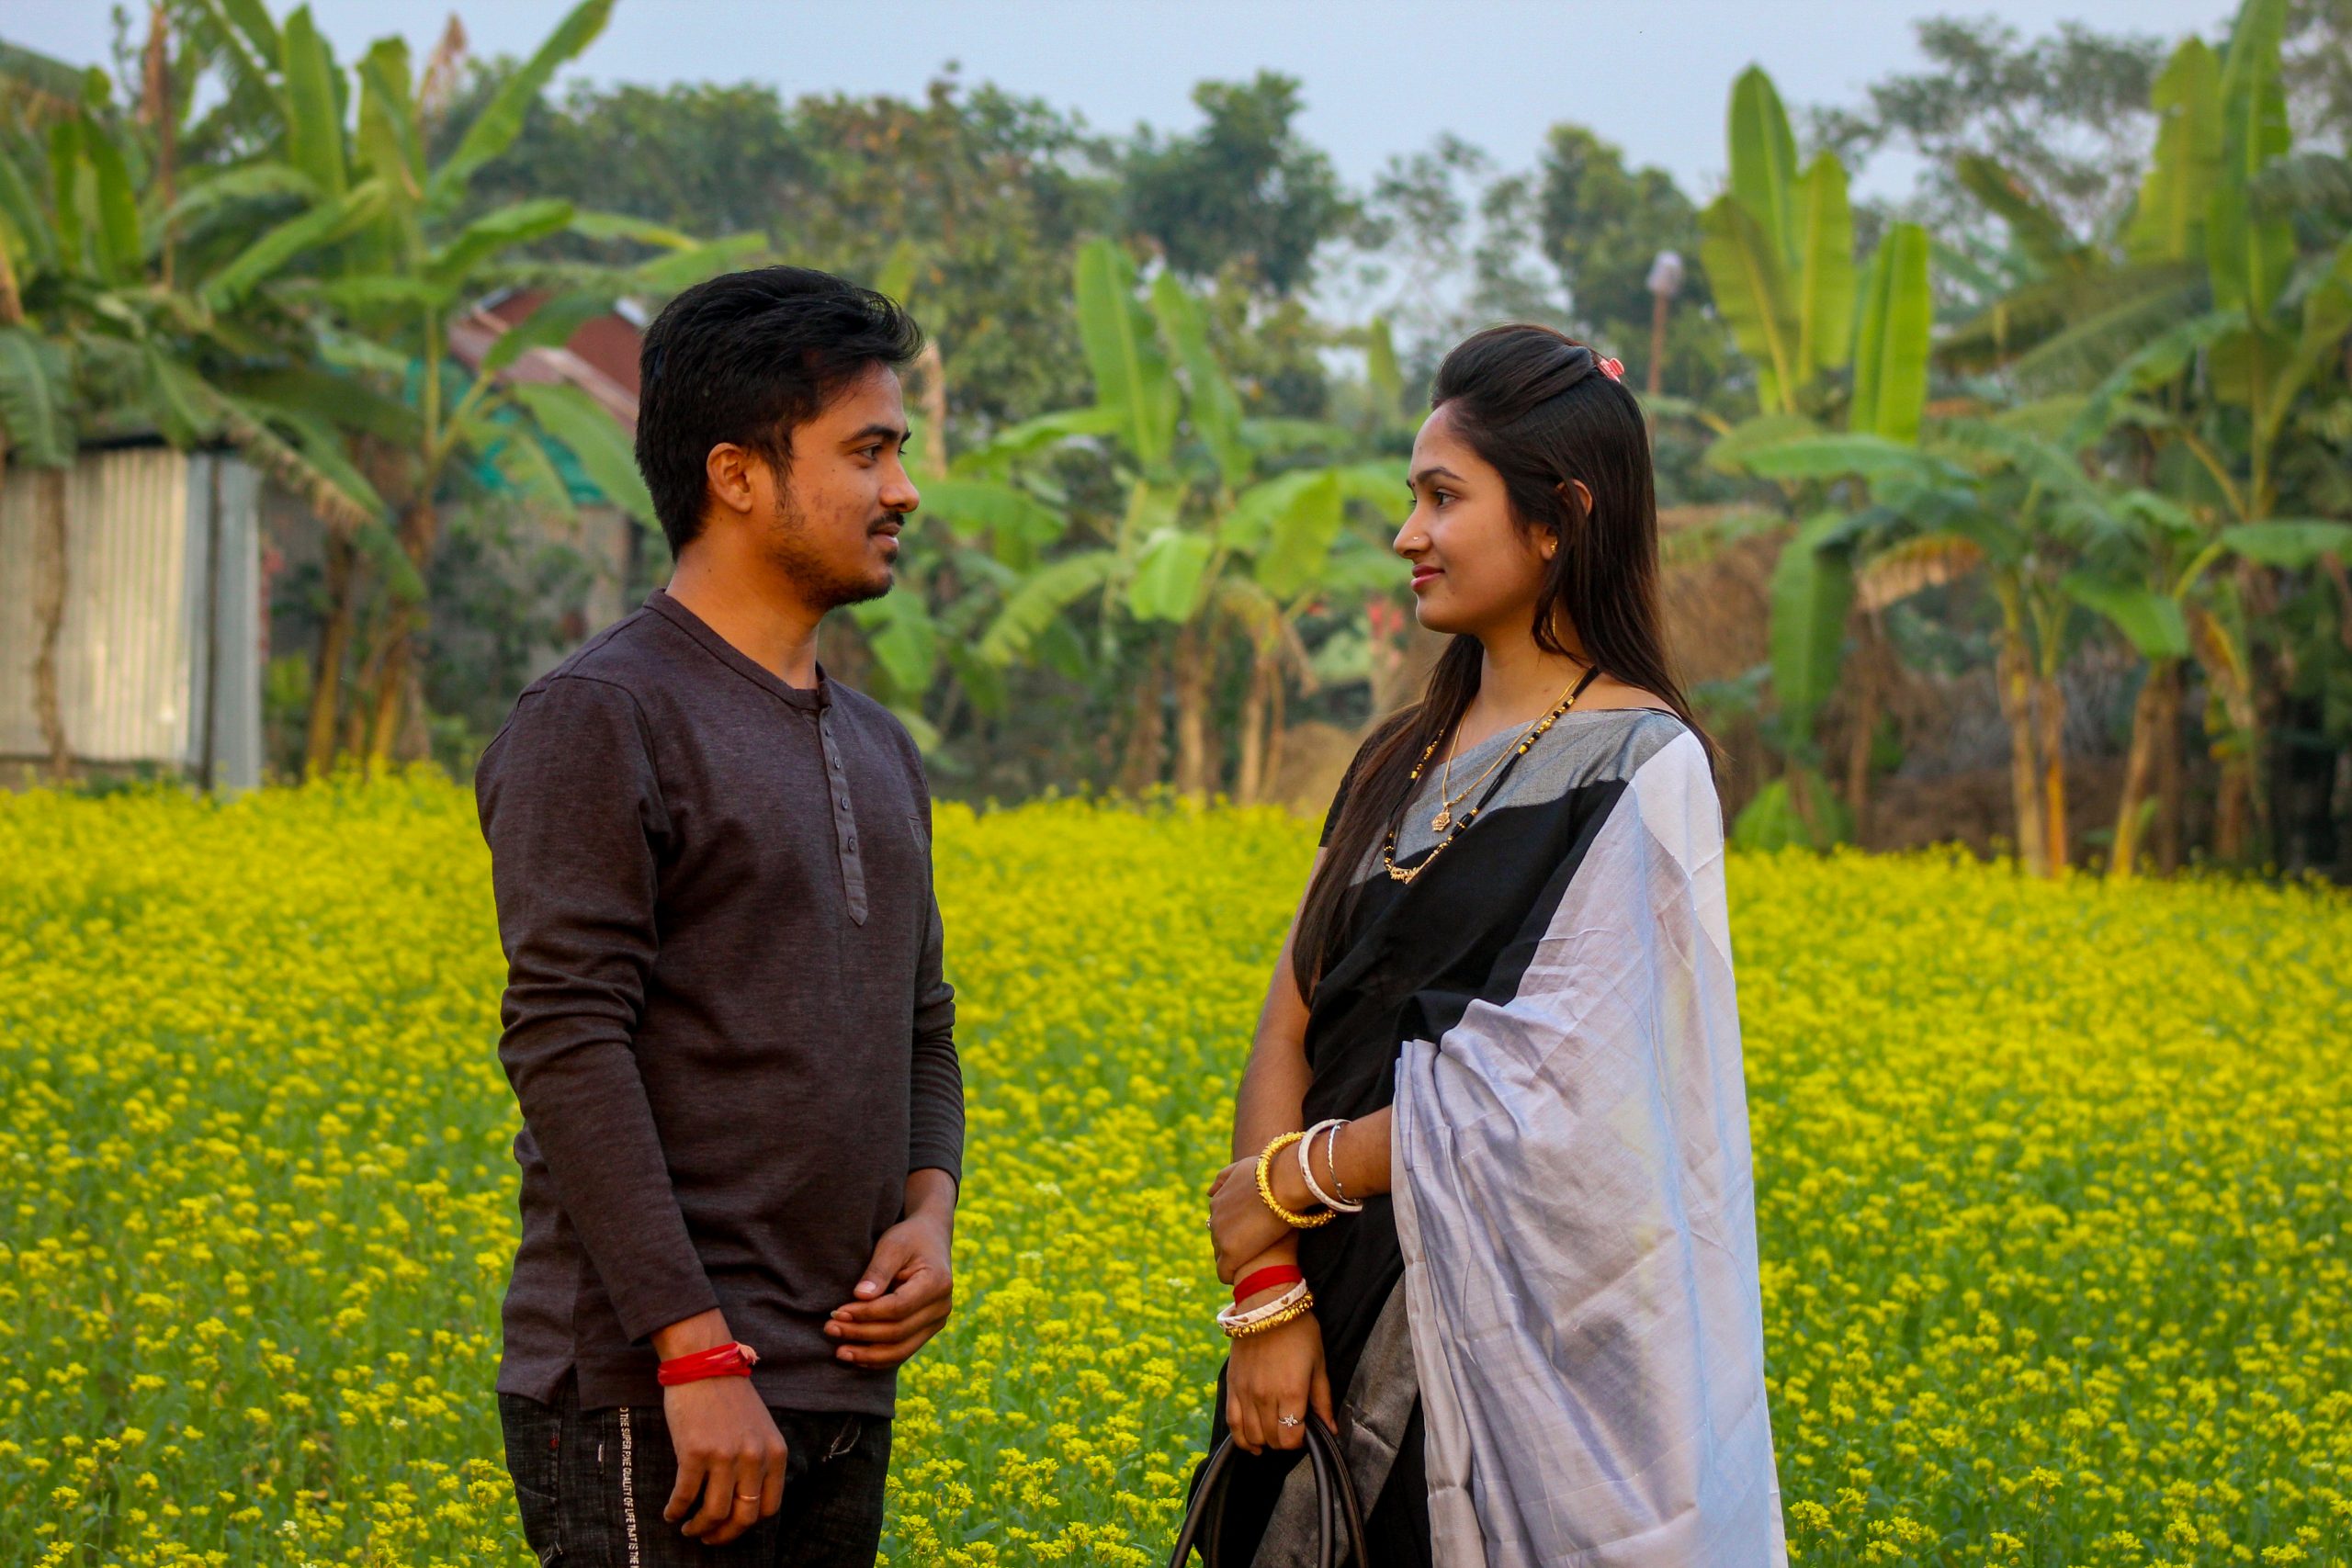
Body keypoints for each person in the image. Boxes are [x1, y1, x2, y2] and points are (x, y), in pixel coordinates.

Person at [1197, 325, 1786, 1566]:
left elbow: (1568, 1113)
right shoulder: (1395, 756)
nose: (1407, 534)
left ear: (1559, 519)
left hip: (1507, 1348)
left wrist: (1281, 1190)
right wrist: (1267, 1296)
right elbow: (1291, 1017)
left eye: (1441, 497)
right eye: (1412, 497)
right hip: (1315, 1315)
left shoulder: (1643, 768)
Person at [475, 266, 962, 1566]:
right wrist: (696, 1352)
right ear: (738, 474)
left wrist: (930, 1214)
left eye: (898, 452)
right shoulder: (602, 716)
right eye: (868, 452)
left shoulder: (877, 744)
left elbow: (920, 1024)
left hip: (838, 1387)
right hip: (658, 1398)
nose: (904, 491)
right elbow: (567, 1041)